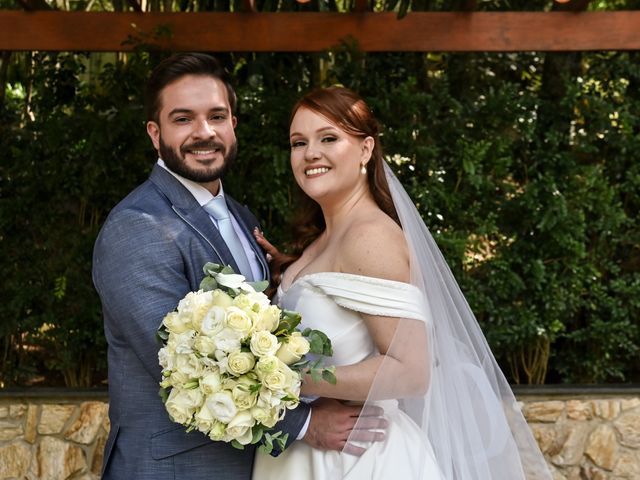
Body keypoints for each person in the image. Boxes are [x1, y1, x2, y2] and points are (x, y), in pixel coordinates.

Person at [92, 53, 384, 480]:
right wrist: (305, 423)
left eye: (216, 115)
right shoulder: (137, 227)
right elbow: (176, 363)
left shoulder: (242, 218)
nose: (204, 132)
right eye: (183, 119)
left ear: (233, 125)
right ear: (155, 134)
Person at [253, 86, 553, 479]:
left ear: (365, 149)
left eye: (329, 138)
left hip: (356, 457)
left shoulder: (370, 236)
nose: (310, 153)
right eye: (298, 142)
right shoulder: (323, 239)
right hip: (308, 452)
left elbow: (411, 371)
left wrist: (281, 379)